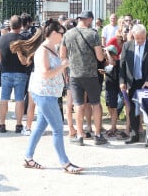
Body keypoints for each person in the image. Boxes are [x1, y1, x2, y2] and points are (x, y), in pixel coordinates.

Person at [13, 19, 83, 174]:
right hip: (45, 94)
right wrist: (63, 65)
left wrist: (63, 68)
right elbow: (46, 73)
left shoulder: (53, 47)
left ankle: (28, 157)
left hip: (50, 94)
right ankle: (65, 163)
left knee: (39, 127)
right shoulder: (43, 50)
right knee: (58, 128)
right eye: (61, 33)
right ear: (52, 33)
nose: (63, 36)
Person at [60, 10, 107, 146]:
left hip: (75, 75)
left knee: (79, 105)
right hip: (91, 75)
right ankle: (97, 135)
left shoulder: (68, 34)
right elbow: (99, 57)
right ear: (90, 19)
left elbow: (62, 56)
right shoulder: (93, 34)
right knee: (95, 104)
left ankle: (80, 135)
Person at [120, 24, 148, 145]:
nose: (139, 41)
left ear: (145, 35)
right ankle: (134, 135)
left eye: (142, 38)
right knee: (133, 110)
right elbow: (122, 65)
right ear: (133, 35)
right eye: (137, 38)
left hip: (147, 83)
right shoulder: (127, 46)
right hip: (132, 82)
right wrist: (122, 81)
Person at [0, 15, 27, 133]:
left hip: (6, 71)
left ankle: (2, 124)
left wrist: (2, 62)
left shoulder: (3, 38)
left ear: (10, 24)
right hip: (20, 71)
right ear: (21, 25)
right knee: (19, 99)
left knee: (4, 99)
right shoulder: (23, 39)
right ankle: (18, 125)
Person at [101, 45, 120, 137]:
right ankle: (113, 126)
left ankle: (113, 127)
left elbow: (112, 64)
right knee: (109, 107)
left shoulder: (116, 61)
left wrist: (107, 51)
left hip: (113, 88)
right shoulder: (107, 62)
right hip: (108, 87)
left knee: (113, 107)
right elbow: (108, 69)